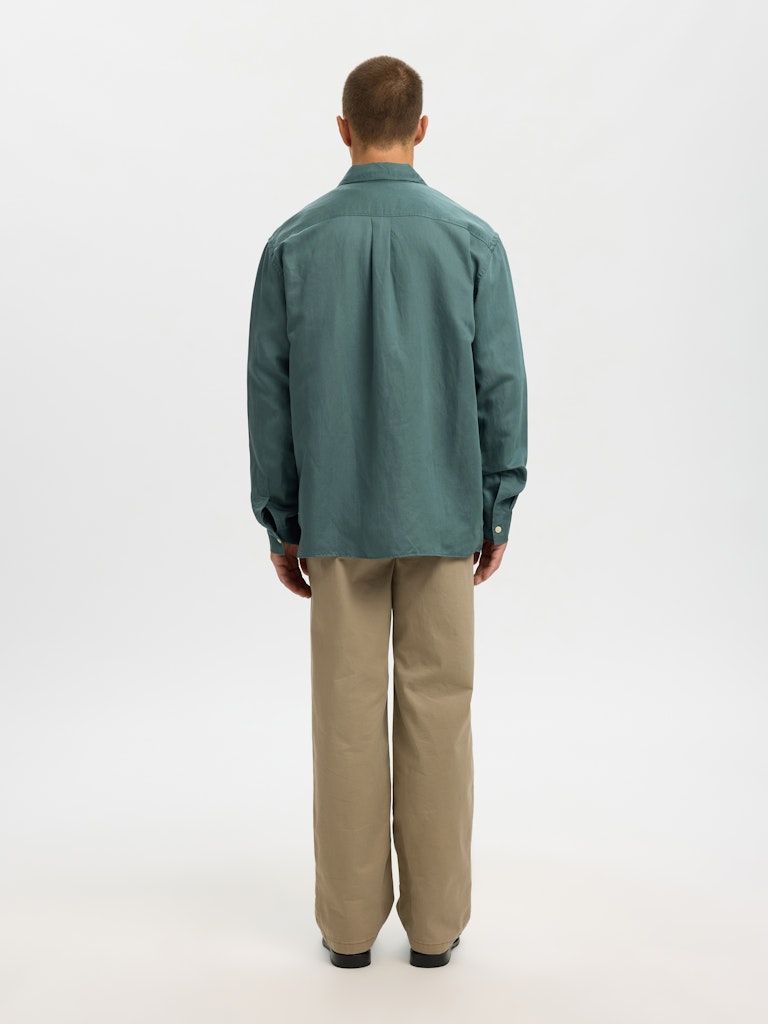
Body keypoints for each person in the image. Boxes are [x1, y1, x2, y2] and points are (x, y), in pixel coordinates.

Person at [247, 55, 527, 969]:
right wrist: (496, 507)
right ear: (422, 128)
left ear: (343, 129)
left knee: (344, 718)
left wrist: (283, 520)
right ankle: (436, 932)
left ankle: (348, 932)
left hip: (337, 518)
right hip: (443, 512)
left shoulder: (293, 245)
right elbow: (500, 385)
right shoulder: (473, 241)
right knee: (439, 716)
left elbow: (270, 396)